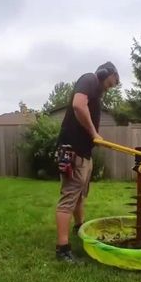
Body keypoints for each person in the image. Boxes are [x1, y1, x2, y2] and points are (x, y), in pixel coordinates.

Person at [55, 61, 120, 262]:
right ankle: (62, 249)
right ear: (103, 74)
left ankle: (79, 226)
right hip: (72, 151)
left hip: (83, 152)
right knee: (69, 198)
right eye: (109, 84)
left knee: (80, 195)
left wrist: (94, 138)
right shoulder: (90, 79)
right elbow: (77, 105)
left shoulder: (95, 89)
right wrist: (94, 133)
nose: (108, 89)